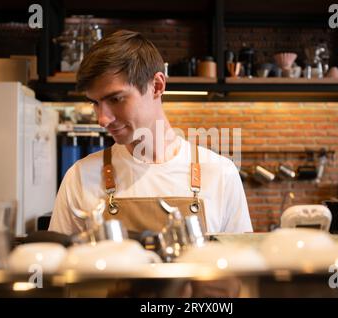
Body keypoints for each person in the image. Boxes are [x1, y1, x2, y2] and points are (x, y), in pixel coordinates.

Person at [48, 30, 252, 236]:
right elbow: (59, 265)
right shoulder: (81, 177)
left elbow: (241, 265)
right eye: (95, 103)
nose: (102, 119)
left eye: (115, 99)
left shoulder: (221, 174)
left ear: (157, 86)